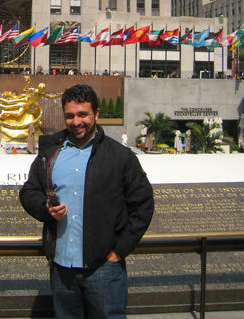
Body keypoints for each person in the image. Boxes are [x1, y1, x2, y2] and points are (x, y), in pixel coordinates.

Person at [19, 84, 154, 319]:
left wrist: (119, 252)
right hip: (62, 269)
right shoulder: (50, 153)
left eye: (83, 115)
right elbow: (29, 191)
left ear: (96, 114)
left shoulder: (120, 157)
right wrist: (45, 209)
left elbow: (143, 205)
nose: (76, 121)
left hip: (104, 269)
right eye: (70, 116)